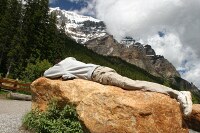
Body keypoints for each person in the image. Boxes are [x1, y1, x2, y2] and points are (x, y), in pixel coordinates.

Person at [44, 57, 192, 116]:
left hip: (101, 75)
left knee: (133, 84)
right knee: (132, 84)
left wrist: (60, 70)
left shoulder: (62, 65)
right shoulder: (72, 60)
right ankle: (176, 93)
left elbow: (46, 73)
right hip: (102, 71)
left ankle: (178, 93)